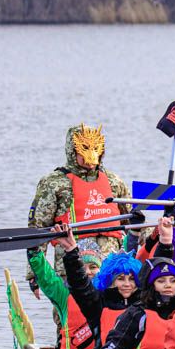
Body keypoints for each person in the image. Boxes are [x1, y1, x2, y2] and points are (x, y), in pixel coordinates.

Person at [27, 123, 131, 291]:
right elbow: (38, 229)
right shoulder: (54, 183)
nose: (90, 157)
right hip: (70, 267)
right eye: (83, 150)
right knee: (70, 314)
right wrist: (34, 275)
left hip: (110, 268)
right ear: (72, 150)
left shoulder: (114, 182)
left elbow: (133, 221)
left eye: (96, 149)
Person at [96, 252, 175, 349]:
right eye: (161, 281)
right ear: (151, 286)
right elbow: (112, 346)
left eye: (173, 281)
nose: (168, 285)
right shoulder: (137, 313)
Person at [57, 224, 144, 349]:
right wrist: (71, 252)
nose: (127, 284)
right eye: (120, 279)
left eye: (131, 279)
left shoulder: (144, 303)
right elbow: (81, 286)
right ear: (110, 281)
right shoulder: (98, 304)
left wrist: (166, 239)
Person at [26, 237, 104, 349]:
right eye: (83, 267)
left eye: (93, 267)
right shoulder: (64, 294)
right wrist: (34, 251)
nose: (88, 272)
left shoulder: (110, 293)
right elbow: (46, 277)